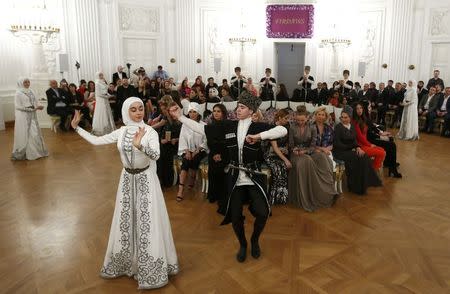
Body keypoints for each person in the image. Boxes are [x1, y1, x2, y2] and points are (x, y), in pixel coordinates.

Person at [71, 97, 178, 289]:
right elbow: (96, 141)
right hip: (127, 180)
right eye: (133, 110)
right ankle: (128, 261)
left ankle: (149, 267)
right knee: (126, 221)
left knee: (148, 222)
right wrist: (77, 128)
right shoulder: (121, 132)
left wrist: (140, 146)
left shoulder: (150, 132)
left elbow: (156, 155)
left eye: (140, 109)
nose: (138, 113)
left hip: (146, 181)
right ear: (126, 112)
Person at [168, 91, 287, 262]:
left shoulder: (258, 127)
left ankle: (254, 240)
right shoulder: (228, 126)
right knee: (235, 216)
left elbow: (282, 129)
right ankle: (243, 244)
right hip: (235, 177)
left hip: (253, 176)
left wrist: (259, 137)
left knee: (262, 213)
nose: (238, 110)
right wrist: (180, 117)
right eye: (238, 107)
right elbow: (202, 129)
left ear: (251, 111)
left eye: (242, 107)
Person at [288, 109, 336, 212]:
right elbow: (291, 145)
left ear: (307, 118)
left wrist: (306, 151)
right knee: (306, 161)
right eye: (298, 120)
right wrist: (295, 150)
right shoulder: (292, 127)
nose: (300, 122)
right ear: (296, 118)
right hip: (296, 153)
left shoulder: (312, 127)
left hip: (309, 151)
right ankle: (306, 196)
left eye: (302, 120)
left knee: (323, 158)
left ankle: (328, 192)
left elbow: (313, 145)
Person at [333, 110, 381, 195]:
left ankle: (364, 184)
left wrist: (358, 147)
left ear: (350, 118)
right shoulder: (338, 127)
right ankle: (355, 186)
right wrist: (352, 148)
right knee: (358, 158)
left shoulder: (352, 127)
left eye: (346, 117)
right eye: (342, 117)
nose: (343, 119)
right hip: (340, 152)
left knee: (364, 156)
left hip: (350, 151)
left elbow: (354, 141)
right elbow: (337, 144)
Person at [176, 102, 208, 201]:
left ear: (198, 113)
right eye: (190, 112)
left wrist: (197, 150)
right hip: (188, 148)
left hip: (200, 149)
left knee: (195, 159)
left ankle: (192, 180)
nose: (192, 114)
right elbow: (182, 139)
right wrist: (187, 150)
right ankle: (180, 189)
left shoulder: (203, 125)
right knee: (186, 161)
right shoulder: (185, 125)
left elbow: (206, 140)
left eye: (194, 112)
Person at [361, 102, 402, 178]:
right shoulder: (363, 118)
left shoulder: (366, 117)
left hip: (371, 138)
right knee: (392, 145)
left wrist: (381, 133)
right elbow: (369, 134)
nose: (371, 109)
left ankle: (389, 163)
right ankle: (392, 169)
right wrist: (380, 137)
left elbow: (372, 127)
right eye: (369, 107)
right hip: (369, 141)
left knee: (390, 139)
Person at [11, 78, 49, 160]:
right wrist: (30, 109)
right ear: (21, 83)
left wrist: (38, 106)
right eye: (25, 82)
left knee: (34, 132)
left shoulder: (31, 91)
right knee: (26, 133)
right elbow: (17, 106)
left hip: (32, 115)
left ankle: (36, 151)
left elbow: (35, 101)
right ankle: (27, 153)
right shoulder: (18, 93)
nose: (27, 83)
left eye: (28, 82)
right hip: (23, 116)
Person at [264, 109, 290, 205]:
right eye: (286, 118)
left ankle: (282, 198)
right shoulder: (272, 128)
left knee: (283, 168)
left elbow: (287, 143)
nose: (288, 120)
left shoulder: (287, 127)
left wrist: (285, 149)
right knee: (278, 168)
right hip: (271, 154)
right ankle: (273, 198)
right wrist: (286, 160)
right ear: (279, 118)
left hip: (282, 153)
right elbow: (274, 148)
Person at [352, 102, 386, 177]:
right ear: (354, 110)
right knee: (382, 153)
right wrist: (370, 145)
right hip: (360, 146)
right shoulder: (355, 121)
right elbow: (360, 137)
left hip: (365, 144)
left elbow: (366, 134)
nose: (359, 110)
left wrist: (369, 144)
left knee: (382, 150)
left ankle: (370, 171)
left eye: (361, 108)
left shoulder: (363, 119)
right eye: (357, 108)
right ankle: (372, 173)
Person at [207, 104, 229, 214]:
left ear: (223, 113)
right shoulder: (210, 126)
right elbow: (209, 142)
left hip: (225, 154)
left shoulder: (228, 125)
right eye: (214, 111)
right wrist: (215, 153)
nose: (216, 113)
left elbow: (228, 142)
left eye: (218, 111)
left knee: (222, 175)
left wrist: (220, 154)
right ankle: (213, 195)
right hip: (213, 153)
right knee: (212, 173)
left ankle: (222, 198)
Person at [157, 98, 181, 187]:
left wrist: (176, 139)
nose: (163, 111)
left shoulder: (179, 121)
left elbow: (184, 137)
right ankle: (162, 180)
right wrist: (161, 140)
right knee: (159, 155)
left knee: (164, 156)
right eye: (162, 109)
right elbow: (161, 135)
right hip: (166, 145)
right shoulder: (166, 120)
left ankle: (168, 181)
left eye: (164, 109)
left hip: (176, 146)